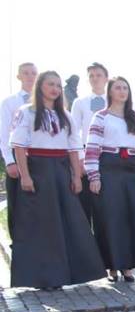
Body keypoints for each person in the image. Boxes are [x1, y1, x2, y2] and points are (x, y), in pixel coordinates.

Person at [8, 71, 105, 290]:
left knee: (68, 221)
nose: (55, 89)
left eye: (58, 86)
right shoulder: (27, 112)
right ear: (40, 86)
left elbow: (73, 148)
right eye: (50, 84)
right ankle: (43, 277)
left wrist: (76, 176)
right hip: (38, 171)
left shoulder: (66, 115)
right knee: (42, 224)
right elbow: (19, 147)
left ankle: (67, 274)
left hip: (61, 173)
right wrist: (25, 175)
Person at [85, 76, 135, 282]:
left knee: (132, 217)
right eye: (118, 88)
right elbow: (92, 148)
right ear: (110, 91)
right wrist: (94, 176)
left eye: (125, 88)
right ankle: (112, 266)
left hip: (131, 170)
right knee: (111, 218)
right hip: (108, 168)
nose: (122, 91)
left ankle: (128, 266)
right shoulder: (100, 117)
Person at [1, 62, 38, 239]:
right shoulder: (9, 102)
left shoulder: (45, 102)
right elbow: (3, 133)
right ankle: (16, 241)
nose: (30, 76)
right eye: (26, 73)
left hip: (39, 158)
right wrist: (10, 161)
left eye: (33, 73)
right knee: (16, 202)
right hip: (17, 157)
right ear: (19, 76)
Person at [70, 62, 109, 222]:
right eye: (91, 76)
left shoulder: (114, 101)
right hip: (86, 153)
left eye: (99, 75)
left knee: (105, 200)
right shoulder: (80, 102)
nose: (95, 78)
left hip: (108, 153)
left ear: (106, 79)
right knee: (86, 199)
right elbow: (74, 132)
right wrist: (80, 158)